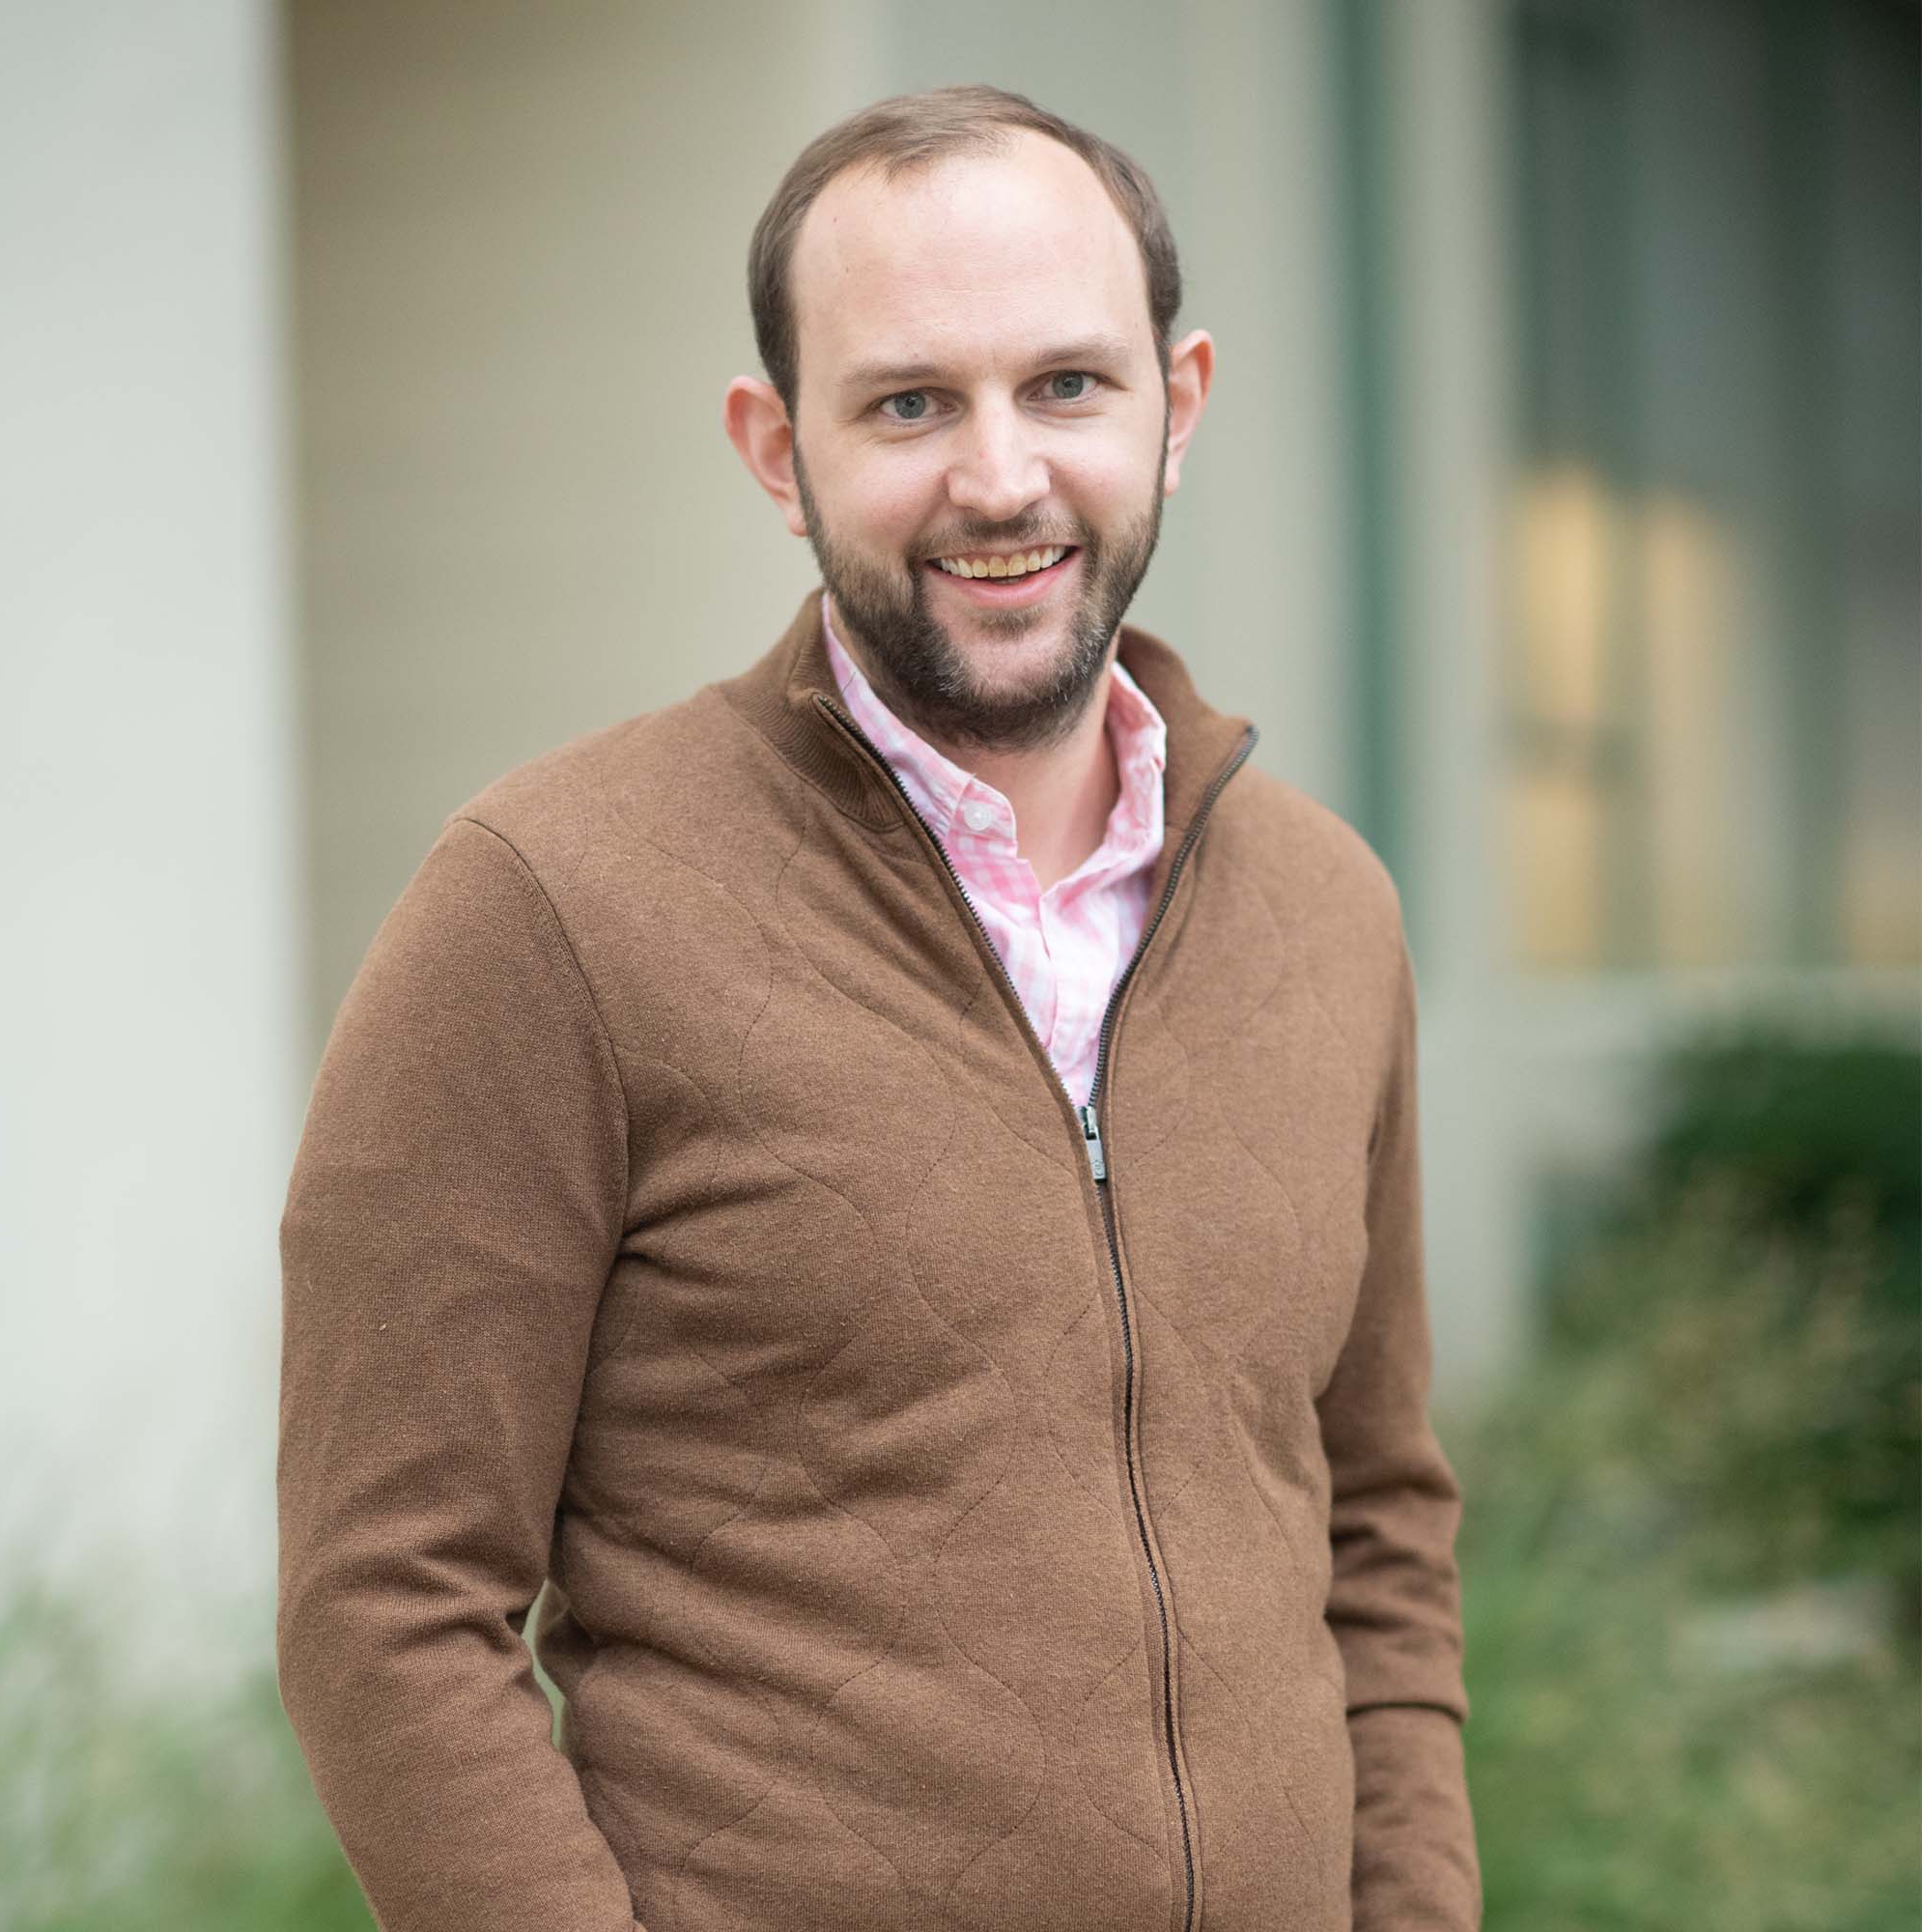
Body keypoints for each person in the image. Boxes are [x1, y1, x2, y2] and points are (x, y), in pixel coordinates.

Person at [276, 83, 1479, 1932]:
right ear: (779, 449)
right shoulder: (551, 905)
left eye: (1068, 385)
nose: (1000, 478)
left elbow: (1378, 1531)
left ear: (1184, 407)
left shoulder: (1328, 911)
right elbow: (387, 1603)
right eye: (911, 402)